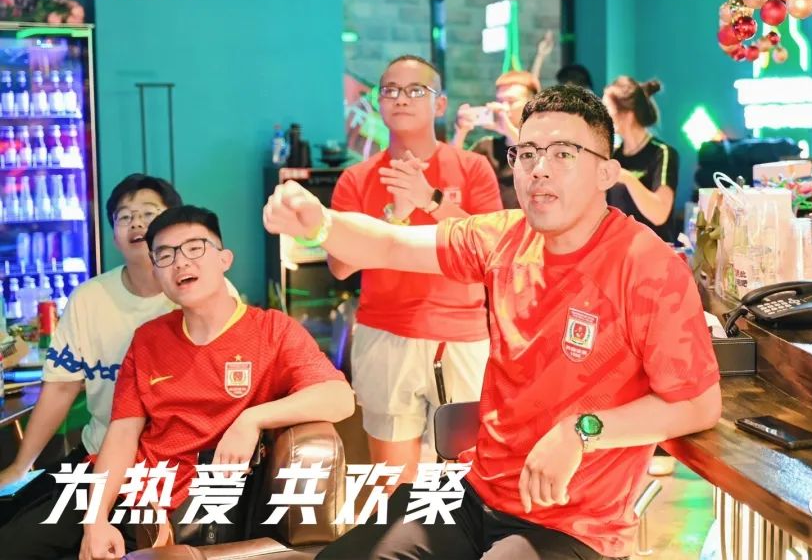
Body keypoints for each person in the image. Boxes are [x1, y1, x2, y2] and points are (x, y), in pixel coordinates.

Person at [264, 84, 722, 560]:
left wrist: (580, 431)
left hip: (574, 524)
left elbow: (698, 404)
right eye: (527, 153)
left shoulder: (646, 265)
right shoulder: (504, 237)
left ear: (606, 172)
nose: (539, 168)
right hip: (474, 493)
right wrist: (320, 223)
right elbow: (390, 245)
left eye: (563, 153)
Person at [0, 205, 356, 560]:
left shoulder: (272, 331)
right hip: (125, 489)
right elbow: (122, 435)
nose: (180, 262)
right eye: (165, 255)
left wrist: (252, 418)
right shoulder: (148, 339)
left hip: (184, 510)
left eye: (194, 248)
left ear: (224, 260)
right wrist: (95, 520)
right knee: (13, 544)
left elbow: (339, 397)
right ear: (156, 273)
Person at [330, 55, 502, 489]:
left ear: (439, 104)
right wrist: (395, 215)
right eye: (390, 90)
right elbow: (340, 265)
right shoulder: (356, 179)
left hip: (461, 334)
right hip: (386, 333)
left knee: (467, 480)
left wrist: (430, 200)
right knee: (393, 484)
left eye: (414, 91)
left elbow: (491, 249)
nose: (400, 99)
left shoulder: (472, 168)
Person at [0, 174, 184, 514]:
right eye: (124, 216)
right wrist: (19, 467)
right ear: (113, 234)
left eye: (149, 213)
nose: (136, 223)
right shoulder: (89, 299)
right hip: (97, 456)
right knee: (12, 517)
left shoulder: (199, 292)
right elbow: (61, 387)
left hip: (172, 467)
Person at [603, 76, 680, 244]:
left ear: (628, 115)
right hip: (620, 249)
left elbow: (659, 214)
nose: (604, 117)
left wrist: (627, 178)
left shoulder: (662, 153)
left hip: (655, 250)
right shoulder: (613, 155)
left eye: (608, 110)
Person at [452, 70, 541, 209]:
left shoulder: (546, 146)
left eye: (511, 101)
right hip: (491, 220)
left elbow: (536, 164)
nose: (503, 108)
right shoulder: (487, 147)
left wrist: (509, 130)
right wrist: (460, 132)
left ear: (532, 105)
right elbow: (452, 172)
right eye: (500, 101)